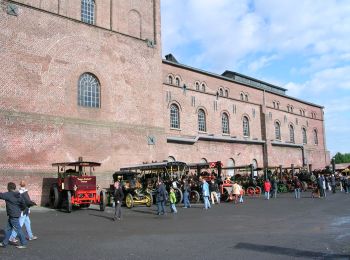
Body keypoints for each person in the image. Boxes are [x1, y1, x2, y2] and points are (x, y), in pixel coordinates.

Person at [0, 182, 28, 249]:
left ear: (8, 188)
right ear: (14, 187)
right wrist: (20, 209)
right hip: (15, 214)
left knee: (18, 229)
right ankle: (4, 243)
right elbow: (24, 205)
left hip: (13, 215)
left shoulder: (8, 194)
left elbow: (0, 195)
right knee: (8, 229)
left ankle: (24, 243)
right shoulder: (18, 195)